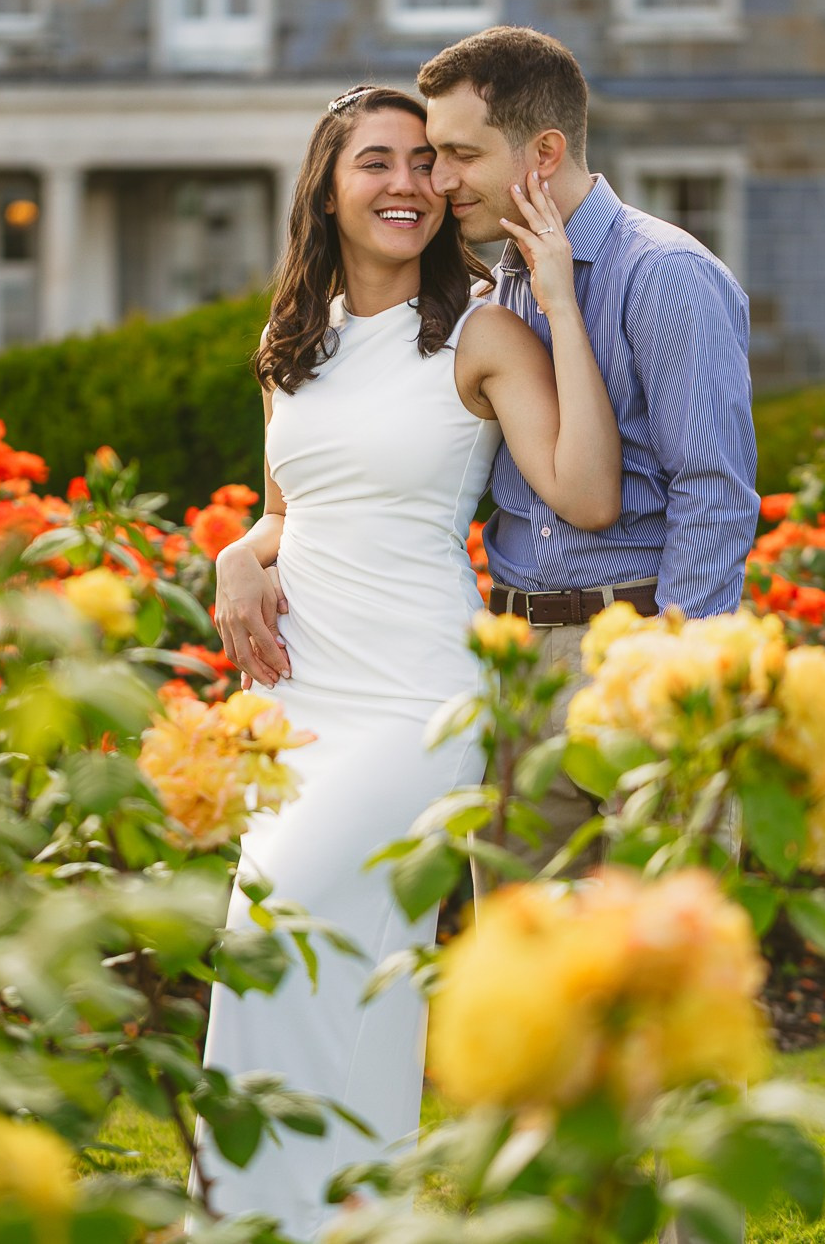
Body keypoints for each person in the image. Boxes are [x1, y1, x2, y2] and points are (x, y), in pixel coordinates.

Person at [198, 84, 622, 1237]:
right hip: (300, 703)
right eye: (375, 163)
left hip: (411, 701)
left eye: (423, 163)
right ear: (326, 191)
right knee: (262, 948)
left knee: (313, 929)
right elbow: (290, 510)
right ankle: (256, 1221)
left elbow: (583, 490)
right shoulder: (293, 345)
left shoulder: (479, 332)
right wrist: (239, 551)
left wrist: (557, 298)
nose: (407, 184)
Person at [418, 25, 760, 885]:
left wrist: (673, 676)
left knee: (665, 976)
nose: (441, 179)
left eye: (462, 152)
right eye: (434, 153)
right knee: (525, 983)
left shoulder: (666, 275)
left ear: (544, 150)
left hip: (639, 644)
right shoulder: (502, 282)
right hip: (519, 666)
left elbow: (713, 489)